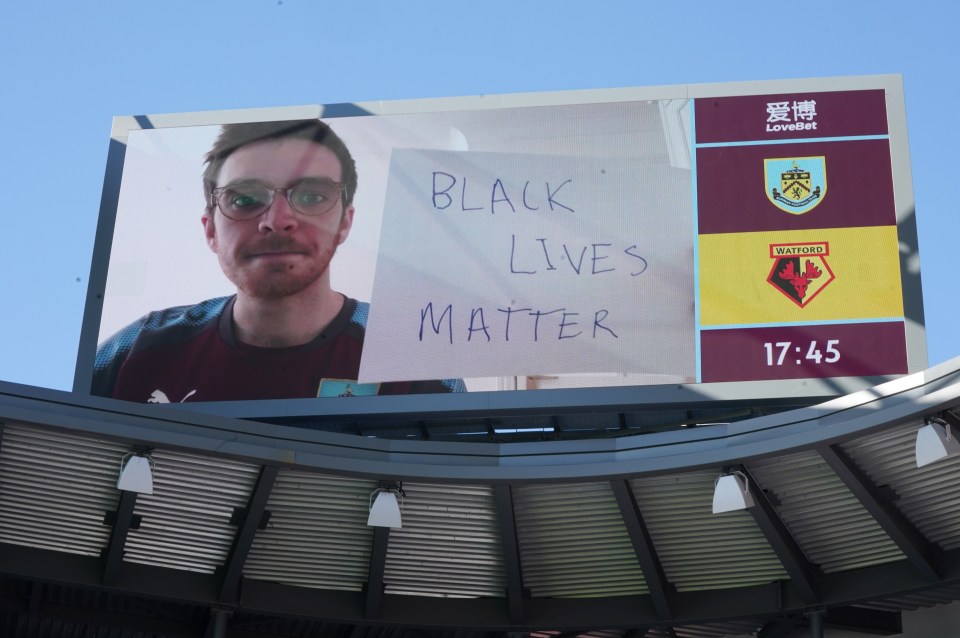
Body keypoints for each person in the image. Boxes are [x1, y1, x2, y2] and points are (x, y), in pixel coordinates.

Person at [93, 119, 464, 402]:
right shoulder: (134, 353)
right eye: (244, 200)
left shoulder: (418, 365)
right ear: (210, 231)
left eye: (312, 196)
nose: (277, 219)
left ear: (344, 224)